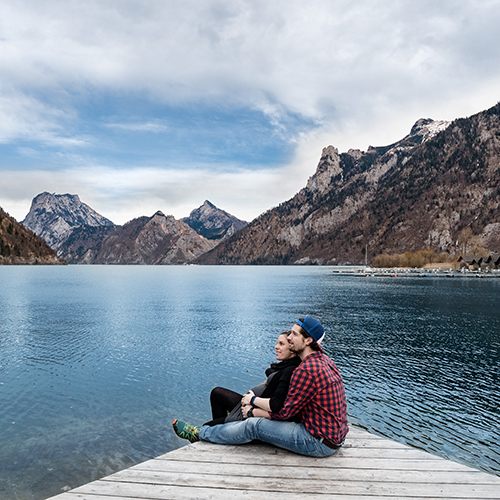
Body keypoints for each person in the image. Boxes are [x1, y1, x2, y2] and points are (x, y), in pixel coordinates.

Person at [172, 317, 349, 458]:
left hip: (317, 442)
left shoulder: (306, 370)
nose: (289, 337)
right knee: (248, 418)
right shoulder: (324, 360)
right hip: (332, 436)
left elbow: (283, 413)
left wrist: (252, 411)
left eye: (294, 334)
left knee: (253, 426)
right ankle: (216, 432)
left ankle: (200, 434)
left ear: (308, 340)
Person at [203, 331, 301, 426]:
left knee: (207, 427)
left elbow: (276, 404)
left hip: (252, 411)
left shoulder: (289, 371)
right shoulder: (285, 367)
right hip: (252, 405)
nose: (276, 347)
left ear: (292, 349)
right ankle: (222, 430)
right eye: (277, 343)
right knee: (217, 393)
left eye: (281, 344)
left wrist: (252, 400)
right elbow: (271, 372)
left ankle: (221, 429)